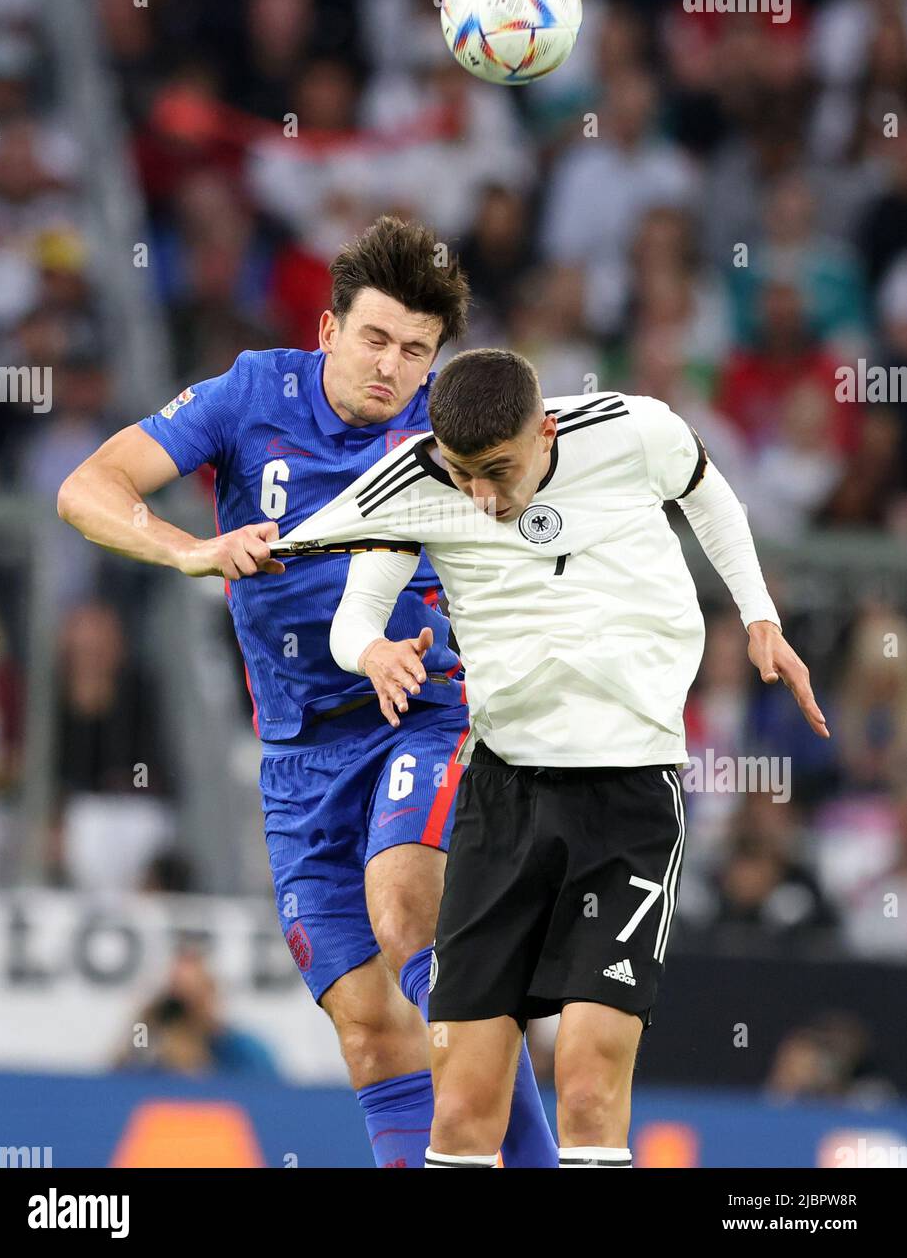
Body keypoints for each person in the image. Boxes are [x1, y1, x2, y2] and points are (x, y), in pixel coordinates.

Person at [56, 219, 556, 1168]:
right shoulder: (252, 393)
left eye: (415, 351)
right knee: (368, 1030)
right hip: (296, 754)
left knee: (405, 908)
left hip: (427, 711)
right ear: (327, 330)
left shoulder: (454, 429)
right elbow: (91, 486)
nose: (390, 367)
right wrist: (190, 549)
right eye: (374, 338)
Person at [278, 348, 829, 1169]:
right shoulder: (416, 481)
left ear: (545, 429)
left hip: (629, 800)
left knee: (587, 1085)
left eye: (498, 470)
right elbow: (347, 608)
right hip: (501, 800)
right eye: (464, 475)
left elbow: (706, 492)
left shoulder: (635, 429)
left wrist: (757, 613)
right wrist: (371, 654)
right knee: (462, 1105)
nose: (481, 497)